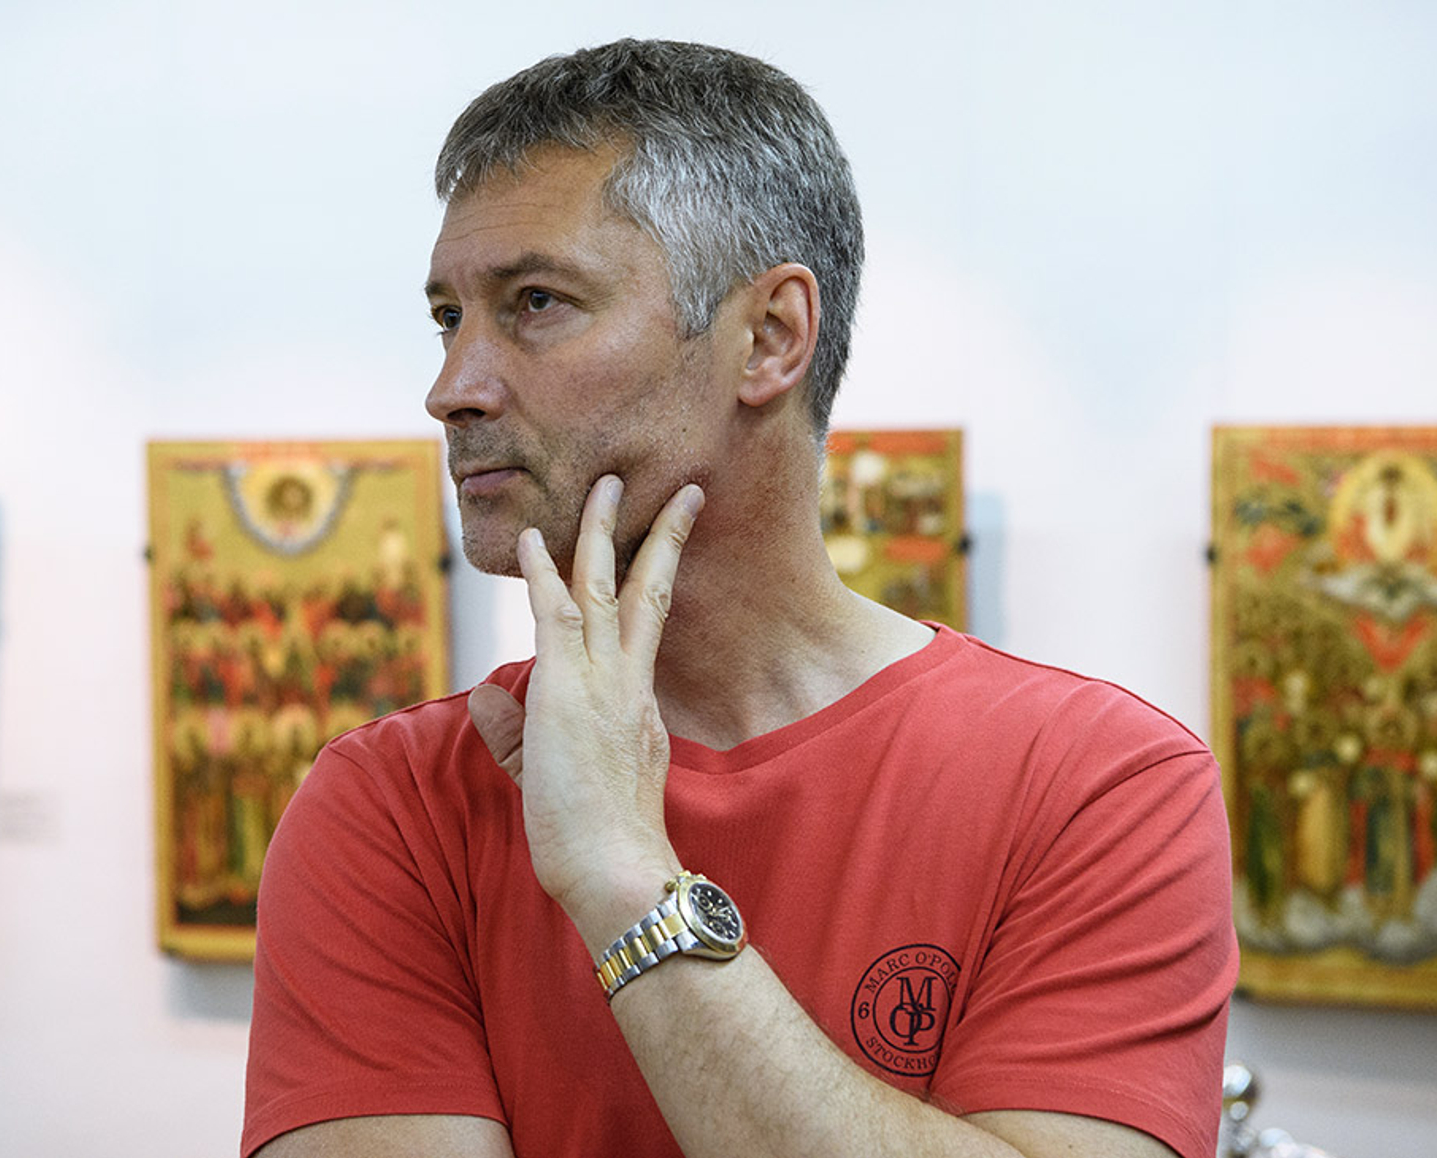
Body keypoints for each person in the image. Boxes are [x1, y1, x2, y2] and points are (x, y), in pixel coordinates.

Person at [242, 38, 1236, 1158]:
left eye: (535, 302)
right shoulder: (393, 805)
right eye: (446, 317)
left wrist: (626, 876)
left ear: (768, 338)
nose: (451, 388)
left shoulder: (1099, 785)